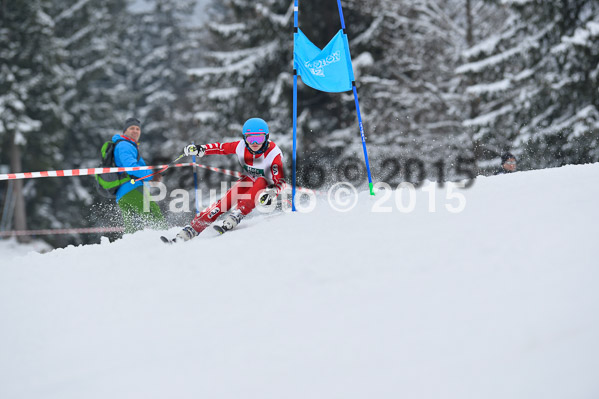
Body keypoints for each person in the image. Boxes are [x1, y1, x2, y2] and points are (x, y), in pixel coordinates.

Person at [166, 117, 286, 242]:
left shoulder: (273, 153)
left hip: (266, 185)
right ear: (245, 139)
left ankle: (238, 213)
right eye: (250, 138)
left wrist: (271, 193)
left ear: (266, 138)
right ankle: (194, 227)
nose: (255, 143)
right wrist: (201, 149)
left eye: (259, 138)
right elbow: (221, 148)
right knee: (225, 201)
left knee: (261, 180)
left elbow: (281, 181)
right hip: (248, 178)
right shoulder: (241, 146)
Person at [113, 117, 167, 233]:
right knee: (155, 216)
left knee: (133, 228)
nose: (135, 131)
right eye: (132, 128)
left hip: (123, 194)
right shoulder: (124, 145)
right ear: (125, 131)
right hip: (132, 188)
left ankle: (131, 249)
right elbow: (131, 167)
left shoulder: (127, 145)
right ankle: (168, 240)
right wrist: (152, 175)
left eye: (138, 129)